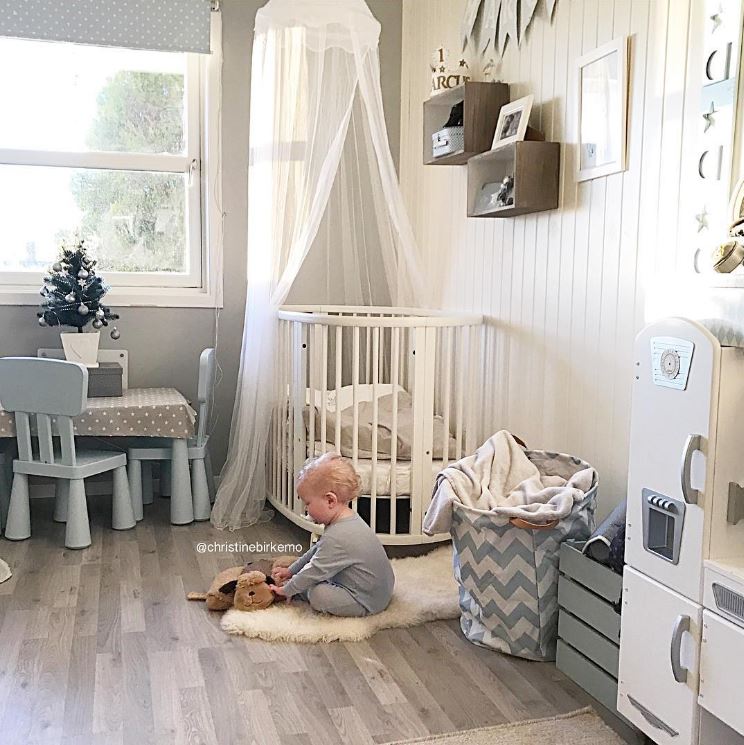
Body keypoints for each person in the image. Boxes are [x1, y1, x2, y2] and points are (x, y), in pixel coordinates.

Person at [271, 452, 395, 617]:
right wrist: (291, 571)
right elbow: (317, 550)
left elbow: (314, 570)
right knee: (318, 572)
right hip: (380, 591)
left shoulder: (338, 537)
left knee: (318, 594)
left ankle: (304, 592)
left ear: (330, 500)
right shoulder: (349, 519)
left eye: (307, 503)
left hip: (365, 600)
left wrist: (286, 590)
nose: (306, 509)